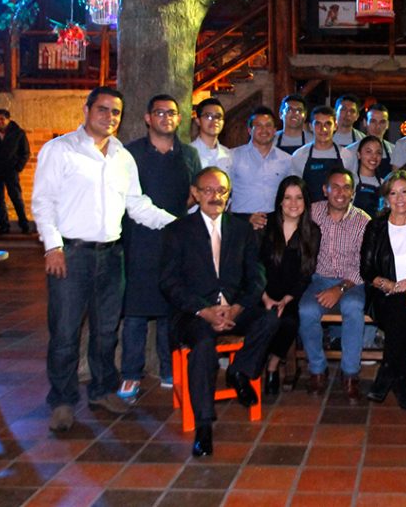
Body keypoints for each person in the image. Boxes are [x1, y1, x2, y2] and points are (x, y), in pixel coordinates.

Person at [33, 87, 176, 433]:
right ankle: (63, 401)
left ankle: (101, 391)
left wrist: (180, 225)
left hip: (112, 255)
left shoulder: (122, 156)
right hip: (71, 255)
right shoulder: (60, 150)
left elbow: (137, 205)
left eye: (115, 112)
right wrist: (53, 247)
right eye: (103, 109)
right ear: (86, 109)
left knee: (106, 330)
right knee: (66, 332)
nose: (109, 117)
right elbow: (43, 203)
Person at [159, 167, 277, 457]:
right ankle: (203, 426)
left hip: (234, 308)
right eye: (208, 191)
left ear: (229, 194)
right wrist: (204, 310)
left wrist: (238, 307)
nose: (215, 196)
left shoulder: (241, 229)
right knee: (202, 346)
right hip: (194, 314)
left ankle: (239, 372)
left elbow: (257, 275)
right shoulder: (177, 231)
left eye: (222, 191)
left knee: (270, 319)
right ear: (196, 193)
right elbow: (169, 282)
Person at [120, 95, 201, 401]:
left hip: (176, 242)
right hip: (139, 241)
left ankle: (170, 370)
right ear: (147, 118)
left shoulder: (189, 154)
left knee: (172, 309)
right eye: (159, 112)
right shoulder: (131, 154)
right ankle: (130, 374)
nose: (166, 117)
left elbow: (195, 192)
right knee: (136, 314)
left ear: (179, 119)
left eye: (172, 113)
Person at [360, 171, 406, 409]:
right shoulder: (375, 227)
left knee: (404, 308)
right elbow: (367, 270)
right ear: (386, 198)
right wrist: (390, 285)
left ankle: (388, 374)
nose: (400, 198)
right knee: (400, 310)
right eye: (393, 193)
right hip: (381, 294)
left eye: (405, 192)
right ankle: (398, 381)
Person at [297, 167, 371, 400]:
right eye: (335, 187)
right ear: (325, 190)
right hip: (319, 279)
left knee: (352, 308)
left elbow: (364, 265)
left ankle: (350, 373)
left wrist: (340, 288)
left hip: (352, 281)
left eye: (346, 187)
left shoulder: (363, 220)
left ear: (353, 192)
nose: (340, 192)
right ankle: (318, 370)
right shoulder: (311, 213)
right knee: (306, 310)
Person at [259, 176, 321, 396]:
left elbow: (307, 273)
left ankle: (273, 366)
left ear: (306, 202)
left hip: (291, 294)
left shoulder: (312, 231)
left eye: (299, 198)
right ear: (279, 201)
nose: (293, 203)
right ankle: (254, 365)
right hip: (262, 291)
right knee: (261, 319)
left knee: (289, 321)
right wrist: (264, 295)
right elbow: (254, 265)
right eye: (287, 198)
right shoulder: (264, 225)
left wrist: (288, 297)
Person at [229, 106, 292, 217]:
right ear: (249, 130)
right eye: (258, 126)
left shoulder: (286, 159)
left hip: (274, 223)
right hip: (241, 222)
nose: (264, 130)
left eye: (268, 125)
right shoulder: (233, 156)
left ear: (274, 130)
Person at [291, 105, 358, 202]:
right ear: (310, 126)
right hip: (308, 214)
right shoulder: (299, 156)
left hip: (340, 214)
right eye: (318, 124)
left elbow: (352, 189)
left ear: (335, 126)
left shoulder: (347, 156)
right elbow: (295, 191)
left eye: (328, 124)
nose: (323, 129)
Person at [0, 109, 31, 234]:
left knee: (16, 197)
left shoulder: (18, 133)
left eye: (2, 119)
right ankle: (3, 225)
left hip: (10, 170)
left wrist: (18, 167)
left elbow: (25, 152)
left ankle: (24, 223)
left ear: (8, 119)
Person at [347, 103, 393, 176]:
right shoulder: (350, 151)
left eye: (382, 122)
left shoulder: (394, 151)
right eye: (373, 121)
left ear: (387, 125)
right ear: (365, 123)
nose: (377, 127)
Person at [191, 97, 232, 170]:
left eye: (218, 117)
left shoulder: (228, 154)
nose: (215, 120)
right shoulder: (189, 154)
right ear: (198, 121)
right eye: (208, 116)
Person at [353, 135, 385, 215]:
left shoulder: (384, 183)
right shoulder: (351, 180)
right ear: (359, 154)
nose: (374, 156)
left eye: (378, 153)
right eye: (368, 151)